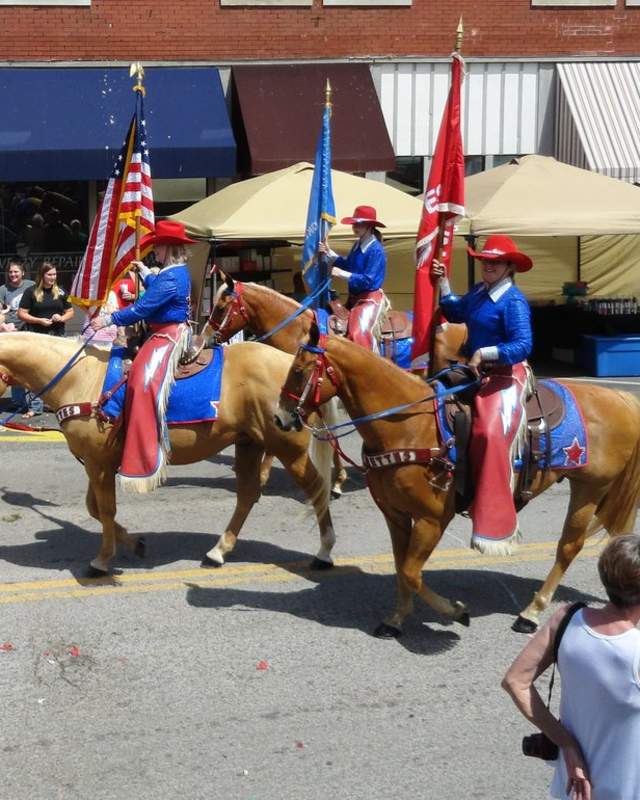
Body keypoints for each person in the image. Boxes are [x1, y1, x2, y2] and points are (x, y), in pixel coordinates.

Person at [503, 533, 640, 800]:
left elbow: (515, 681)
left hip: (572, 787)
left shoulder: (566, 619)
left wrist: (566, 744)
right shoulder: (634, 649)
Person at [431, 234, 533, 550]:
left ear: (508, 267)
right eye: (485, 261)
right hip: (477, 372)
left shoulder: (513, 301)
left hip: (506, 373)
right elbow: (457, 311)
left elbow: (523, 345)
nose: (489, 266)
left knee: (489, 434)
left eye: (495, 262)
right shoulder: (479, 291)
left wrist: (485, 353)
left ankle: (494, 521)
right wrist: (444, 282)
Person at [90, 219, 194, 493]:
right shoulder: (173, 272)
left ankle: (146, 451)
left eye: (157, 247)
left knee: (140, 380)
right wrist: (146, 272)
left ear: (168, 248)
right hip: (163, 331)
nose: (154, 251)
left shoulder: (172, 276)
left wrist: (109, 319)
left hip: (168, 335)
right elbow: (157, 288)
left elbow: (143, 308)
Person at [318, 204, 387, 350]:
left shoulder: (376, 250)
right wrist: (329, 253)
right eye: (354, 223)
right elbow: (348, 264)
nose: (355, 227)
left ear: (369, 226)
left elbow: (368, 280)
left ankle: (367, 365)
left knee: (357, 334)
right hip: (354, 298)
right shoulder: (357, 245)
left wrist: (341, 273)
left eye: (359, 224)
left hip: (369, 299)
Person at [18, 260, 74, 417]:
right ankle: (34, 407)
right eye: (49, 274)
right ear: (42, 275)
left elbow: (70, 312)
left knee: (57, 370)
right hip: (37, 337)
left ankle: (53, 404)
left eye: (55, 274)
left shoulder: (61, 292)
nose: (53, 277)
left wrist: (61, 318)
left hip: (57, 336)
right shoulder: (31, 292)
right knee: (34, 371)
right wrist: (39, 320)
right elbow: (21, 313)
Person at [0, 258, 34, 411]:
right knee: (14, 367)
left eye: (16, 272)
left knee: (30, 367)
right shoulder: (3, 289)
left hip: (28, 331)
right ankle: (18, 402)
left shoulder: (31, 286)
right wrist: (3, 326)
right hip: (10, 332)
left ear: (23, 273)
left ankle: (34, 404)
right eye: (10, 272)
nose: (13, 274)